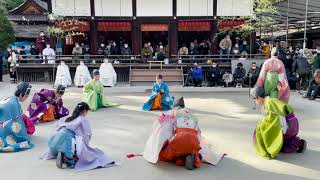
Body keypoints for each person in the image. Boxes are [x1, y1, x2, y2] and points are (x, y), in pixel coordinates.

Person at [143, 97, 224, 170]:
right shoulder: (192, 115)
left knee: (165, 155)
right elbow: (199, 134)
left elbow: (163, 130)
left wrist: (157, 146)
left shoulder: (172, 113)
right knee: (193, 150)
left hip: (179, 138)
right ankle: (193, 156)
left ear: (174, 106)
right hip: (194, 139)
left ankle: (180, 158)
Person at [41, 102, 115, 171]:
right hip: (67, 140)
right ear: (84, 111)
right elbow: (87, 134)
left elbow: (57, 125)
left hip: (55, 140)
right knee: (83, 151)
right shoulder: (82, 119)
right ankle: (67, 158)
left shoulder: (68, 117)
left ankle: (60, 152)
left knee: (68, 140)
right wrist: (85, 144)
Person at [251, 87, 307, 159]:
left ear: (258, 97)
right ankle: (298, 143)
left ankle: (299, 143)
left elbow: (282, 115)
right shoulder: (267, 103)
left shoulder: (270, 102)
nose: (255, 101)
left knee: (261, 130)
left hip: (289, 125)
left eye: (254, 99)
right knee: (282, 145)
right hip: (288, 124)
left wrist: (280, 133)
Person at [0, 82, 34, 152]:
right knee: (25, 123)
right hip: (3, 125)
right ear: (22, 95)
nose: (26, 98)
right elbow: (17, 121)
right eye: (26, 96)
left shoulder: (10, 98)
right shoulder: (15, 103)